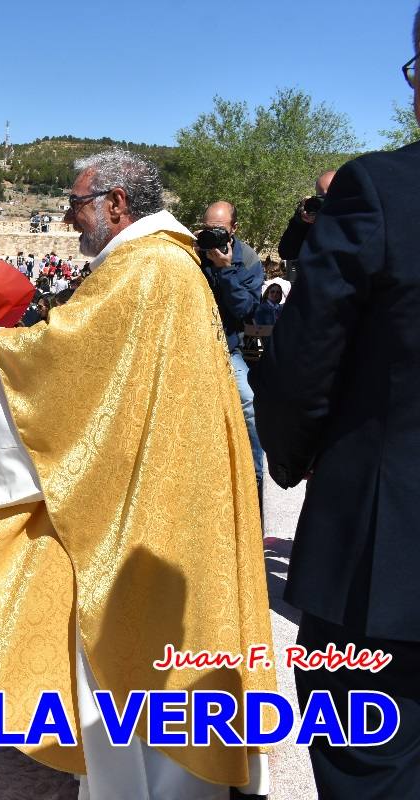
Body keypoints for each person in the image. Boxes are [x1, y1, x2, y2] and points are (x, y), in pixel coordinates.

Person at [0, 149, 274, 798]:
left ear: (116, 203)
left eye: (76, 204)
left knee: (136, 667)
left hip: (146, 517)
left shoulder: (144, 267)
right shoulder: (170, 264)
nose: (69, 219)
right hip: (170, 492)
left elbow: (69, 358)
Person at [253, 13, 420, 795]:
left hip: (385, 558)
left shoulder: (381, 188)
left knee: (366, 764)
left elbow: (303, 356)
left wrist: (291, 458)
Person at [197, 201, 265, 497]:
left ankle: (254, 480)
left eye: (220, 229)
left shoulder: (248, 260)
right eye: (208, 227)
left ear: (234, 229)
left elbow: (246, 311)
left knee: (250, 404)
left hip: (227, 348)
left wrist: (225, 271)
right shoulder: (193, 253)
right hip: (191, 346)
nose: (213, 234)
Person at [276, 169, 337, 262]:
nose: (323, 202)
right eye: (319, 196)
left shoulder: (355, 219)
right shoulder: (314, 219)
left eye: (327, 196)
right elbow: (287, 253)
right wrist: (299, 223)